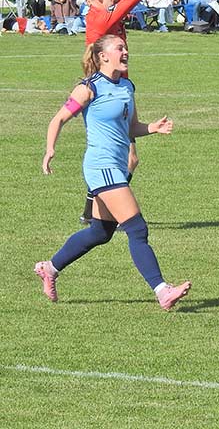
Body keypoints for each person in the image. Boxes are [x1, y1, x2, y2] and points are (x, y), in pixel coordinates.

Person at [36, 34, 191, 310]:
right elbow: (58, 119)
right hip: (101, 166)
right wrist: (50, 149)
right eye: (120, 47)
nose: (126, 51)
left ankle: (50, 268)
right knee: (136, 228)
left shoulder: (127, 86)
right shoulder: (89, 88)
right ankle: (162, 290)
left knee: (101, 232)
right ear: (103, 56)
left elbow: (131, 127)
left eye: (125, 47)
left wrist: (152, 128)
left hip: (117, 166)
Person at [79, 0, 161, 224]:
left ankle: (93, 212)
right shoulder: (99, 18)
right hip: (108, 92)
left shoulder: (103, 13)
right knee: (125, 158)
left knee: (129, 159)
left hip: (119, 87)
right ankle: (111, 213)